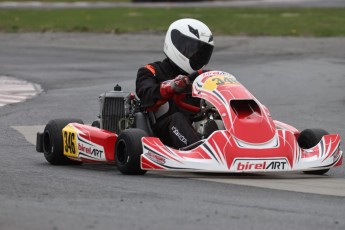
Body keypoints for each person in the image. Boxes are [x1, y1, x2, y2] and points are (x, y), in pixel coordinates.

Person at [136, 18, 214, 149]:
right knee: (177, 118)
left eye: (201, 53)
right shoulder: (151, 71)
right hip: (162, 129)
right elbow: (146, 96)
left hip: (193, 126)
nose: (197, 56)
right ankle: (202, 152)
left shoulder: (201, 78)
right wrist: (170, 87)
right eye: (192, 51)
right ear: (175, 44)